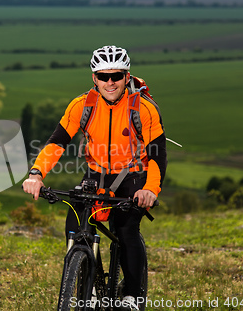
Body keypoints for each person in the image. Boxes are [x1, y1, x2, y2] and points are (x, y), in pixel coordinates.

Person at [22, 45, 167, 311]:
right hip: (96, 173)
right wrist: (36, 174)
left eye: (116, 76)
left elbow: (157, 156)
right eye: (103, 76)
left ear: (126, 76)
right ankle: (83, 285)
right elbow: (57, 143)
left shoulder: (143, 109)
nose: (109, 82)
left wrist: (151, 189)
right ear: (94, 78)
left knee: (125, 229)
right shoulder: (82, 105)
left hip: (133, 175)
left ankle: (132, 296)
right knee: (76, 219)